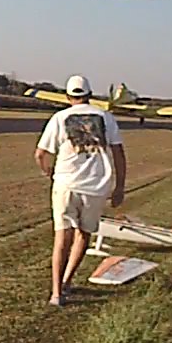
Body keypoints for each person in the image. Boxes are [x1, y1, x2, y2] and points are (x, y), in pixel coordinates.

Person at [34, 74, 126, 306]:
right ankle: (67, 281)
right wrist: (120, 187)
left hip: (65, 184)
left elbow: (40, 154)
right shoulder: (106, 117)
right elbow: (118, 153)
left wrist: (47, 171)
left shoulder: (59, 117)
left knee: (61, 238)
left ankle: (56, 293)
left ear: (67, 96)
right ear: (90, 95)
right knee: (83, 234)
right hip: (96, 186)